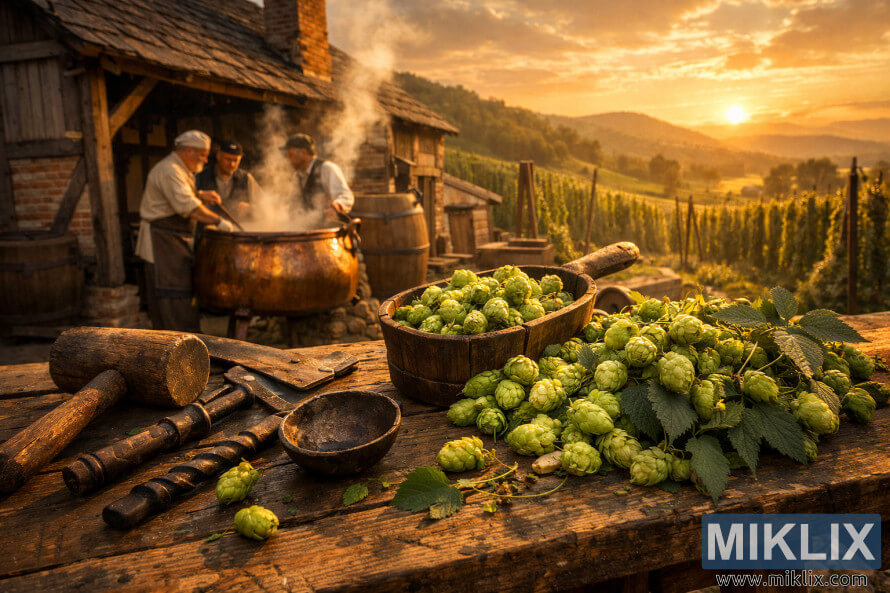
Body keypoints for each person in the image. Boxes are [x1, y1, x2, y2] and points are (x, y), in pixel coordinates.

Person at [135, 130, 235, 332]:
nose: (206, 160)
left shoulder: (179, 170)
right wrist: (218, 221)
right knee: (171, 298)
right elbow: (188, 206)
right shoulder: (170, 170)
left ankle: (185, 344)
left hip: (172, 241)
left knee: (180, 296)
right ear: (189, 150)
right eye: (202, 154)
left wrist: (199, 193)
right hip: (161, 243)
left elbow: (179, 195)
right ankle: (175, 347)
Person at [282, 134, 354, 228]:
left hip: (329, 232)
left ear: (303, 152)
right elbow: (293, 205)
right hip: (306, 231)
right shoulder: (297, 176)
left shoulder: (326, 168)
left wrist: (336, 207)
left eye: (291, 155)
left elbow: (346, 196)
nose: (288, 159)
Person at [195, 140, 261, 220]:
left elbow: (266, 207)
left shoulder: (246, 178)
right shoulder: (200, 176)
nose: (232, 164)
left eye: (235, 160)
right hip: (208, 229)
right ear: (218, 156)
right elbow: (186, 201)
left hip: (238, 229)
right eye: (228, 159)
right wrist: (200, 195)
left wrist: (251, 208)